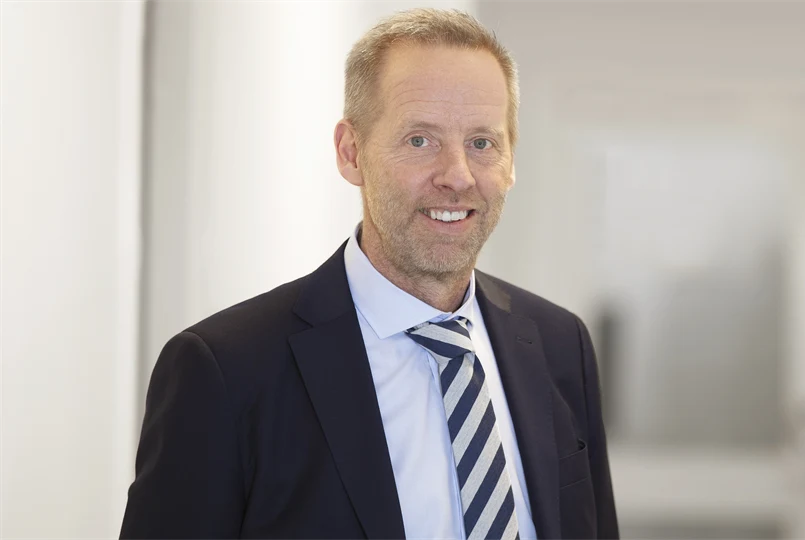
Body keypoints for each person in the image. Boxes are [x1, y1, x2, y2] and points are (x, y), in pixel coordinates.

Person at [119, 8, 618, 540]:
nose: (457, 176)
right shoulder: (225, 371)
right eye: (420, 140)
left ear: (511, 160)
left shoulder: (560, 344)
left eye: (482, 142)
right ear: (351, 152)